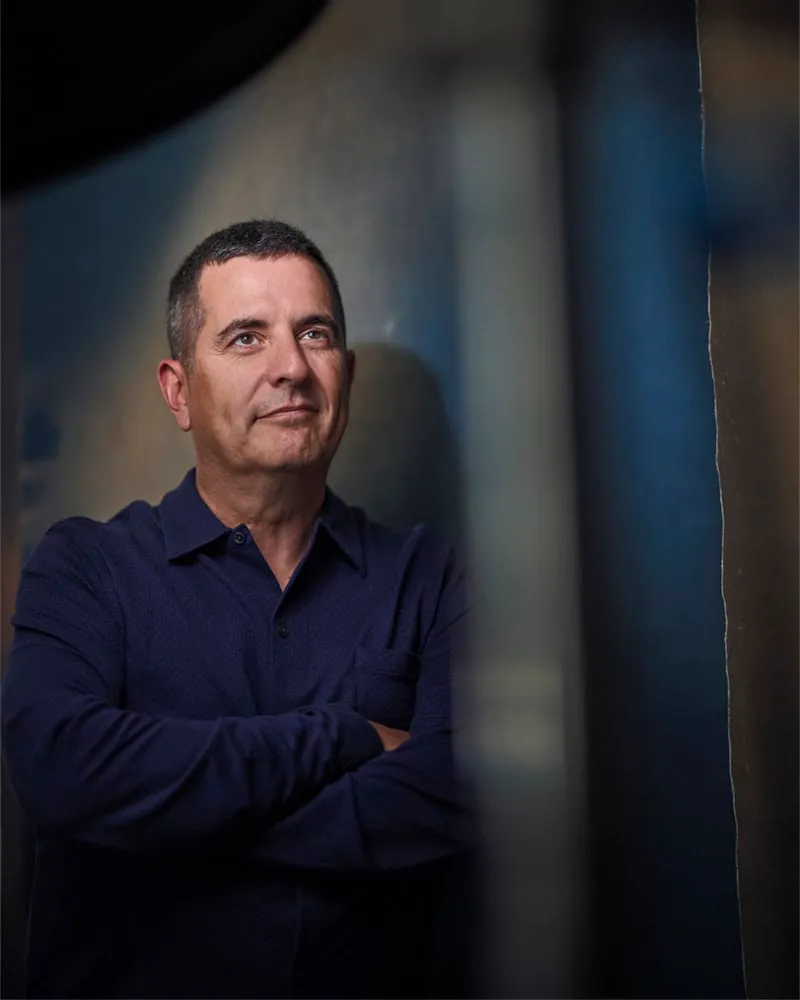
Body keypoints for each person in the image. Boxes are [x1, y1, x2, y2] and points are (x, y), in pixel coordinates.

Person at [1, 220, 476, 999]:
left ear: (346, 375)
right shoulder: (84, 567)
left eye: (315, 334)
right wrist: (346, 735)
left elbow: (463, 792)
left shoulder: (430, 576)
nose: (291, 367)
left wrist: (167, 828)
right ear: (178, 390)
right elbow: (61, 769)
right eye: (247, 338)